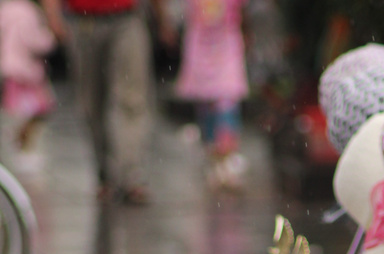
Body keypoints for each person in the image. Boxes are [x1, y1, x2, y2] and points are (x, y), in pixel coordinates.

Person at [40, 0, 174, 203]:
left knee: (130, 99)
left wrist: (163, 17)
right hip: (84, 21)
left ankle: (130, 175)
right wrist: (53, 15)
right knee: (92, 102)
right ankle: (106, 172)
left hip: (127, 18)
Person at [175, 0, 249, 190]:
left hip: (225, 50)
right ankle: (215, 160)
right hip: (201, 50)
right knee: (207, 108)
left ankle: (225, 160)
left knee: (225, 105)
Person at [0, 0, 56, 163]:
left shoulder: (5, 9)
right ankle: (23, 146)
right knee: (40, 109)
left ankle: (18, 143)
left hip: (10, 69)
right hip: (27, 72)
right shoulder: (29, 12)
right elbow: (34, 41)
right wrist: (50, 39)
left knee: (17, 110)